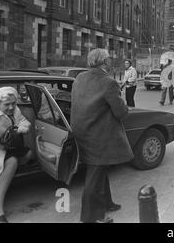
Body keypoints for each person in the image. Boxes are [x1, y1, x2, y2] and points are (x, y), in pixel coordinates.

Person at [71, 48, 133, 223]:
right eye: (109, 59)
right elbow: (121, 112)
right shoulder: (108, 82)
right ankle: (90, 218)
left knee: (100, 168)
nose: (111, 61)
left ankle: (107, 203)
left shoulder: (80, 77)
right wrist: (124, 105)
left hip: (81, 131)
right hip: (97, 136)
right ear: (105, 62)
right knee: (95, 175)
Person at [0, 87, 32, 223]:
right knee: (12, 161)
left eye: (13, 103)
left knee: (29, 154)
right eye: (7, 104)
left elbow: (24, 121)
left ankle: (2, 178)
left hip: (9, 147)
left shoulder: (16, 110)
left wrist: (23, 127)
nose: (11, 107)